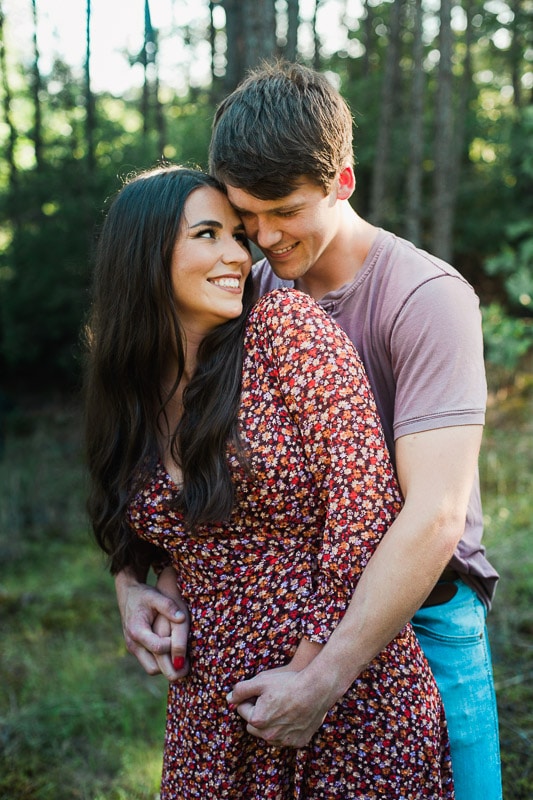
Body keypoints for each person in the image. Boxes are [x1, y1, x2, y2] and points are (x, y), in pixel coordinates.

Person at [114, 62, 503, 800]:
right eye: (243, 215)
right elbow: (171, 465)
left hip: (420, 616)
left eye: (282, 211)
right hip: (286, 627)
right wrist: (133, 583)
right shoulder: (242, 292)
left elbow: (434, 515)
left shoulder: (424, 298)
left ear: (342, 182)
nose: (260, 236)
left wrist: (327, 674)